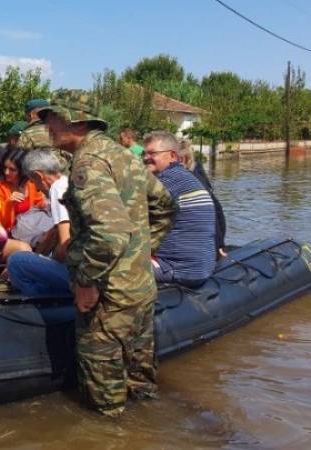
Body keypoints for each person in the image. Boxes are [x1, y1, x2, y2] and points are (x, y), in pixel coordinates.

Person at [39, 92, 177, 417]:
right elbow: (165, 205)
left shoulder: (89, 164)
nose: (48, 126)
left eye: (53, 118)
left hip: (109, 301)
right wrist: (142, 251)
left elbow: (109, 233)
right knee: (142, 392)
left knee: (104, 410)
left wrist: (87, 279)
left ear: (78, 121)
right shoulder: (124, 155)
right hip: (140, 291)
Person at [143, 131, 217, 287]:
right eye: (144, 153)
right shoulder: (187, 177)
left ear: (172, 155)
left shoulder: (164, 183)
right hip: (203, 267)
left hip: (179, 270)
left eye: (152, 153)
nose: (145, 158)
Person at [6, 150, 72, 297]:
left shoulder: (57, 189)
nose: (36, 187)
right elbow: (55, 232)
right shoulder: (67, 182)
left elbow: (65, 244)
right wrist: (41, 257)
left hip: (79, 276)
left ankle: (42, 301)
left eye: (34, 181)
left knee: (16, 261)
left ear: (39, 176)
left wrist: (47, 261)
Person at [177, 138, 227, 258]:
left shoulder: (194, 182)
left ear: (182, 159)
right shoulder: (194, 170)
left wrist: (218, 244)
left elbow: (213, 212)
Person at [0, 149, 38, 259]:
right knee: (24, 249)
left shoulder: (30, 183)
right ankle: (5, 276)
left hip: (26, 233)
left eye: (12, 169)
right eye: (5, 168)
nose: (6, 172)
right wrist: (9, 203)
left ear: (23, 171)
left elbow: (39, 203)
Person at [19, 98, 71, 173]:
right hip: (64, 178)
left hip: (40, 178)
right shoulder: (62, 130)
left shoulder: (28, 133)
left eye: (26, 114)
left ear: (31, 114)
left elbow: (20, 160)